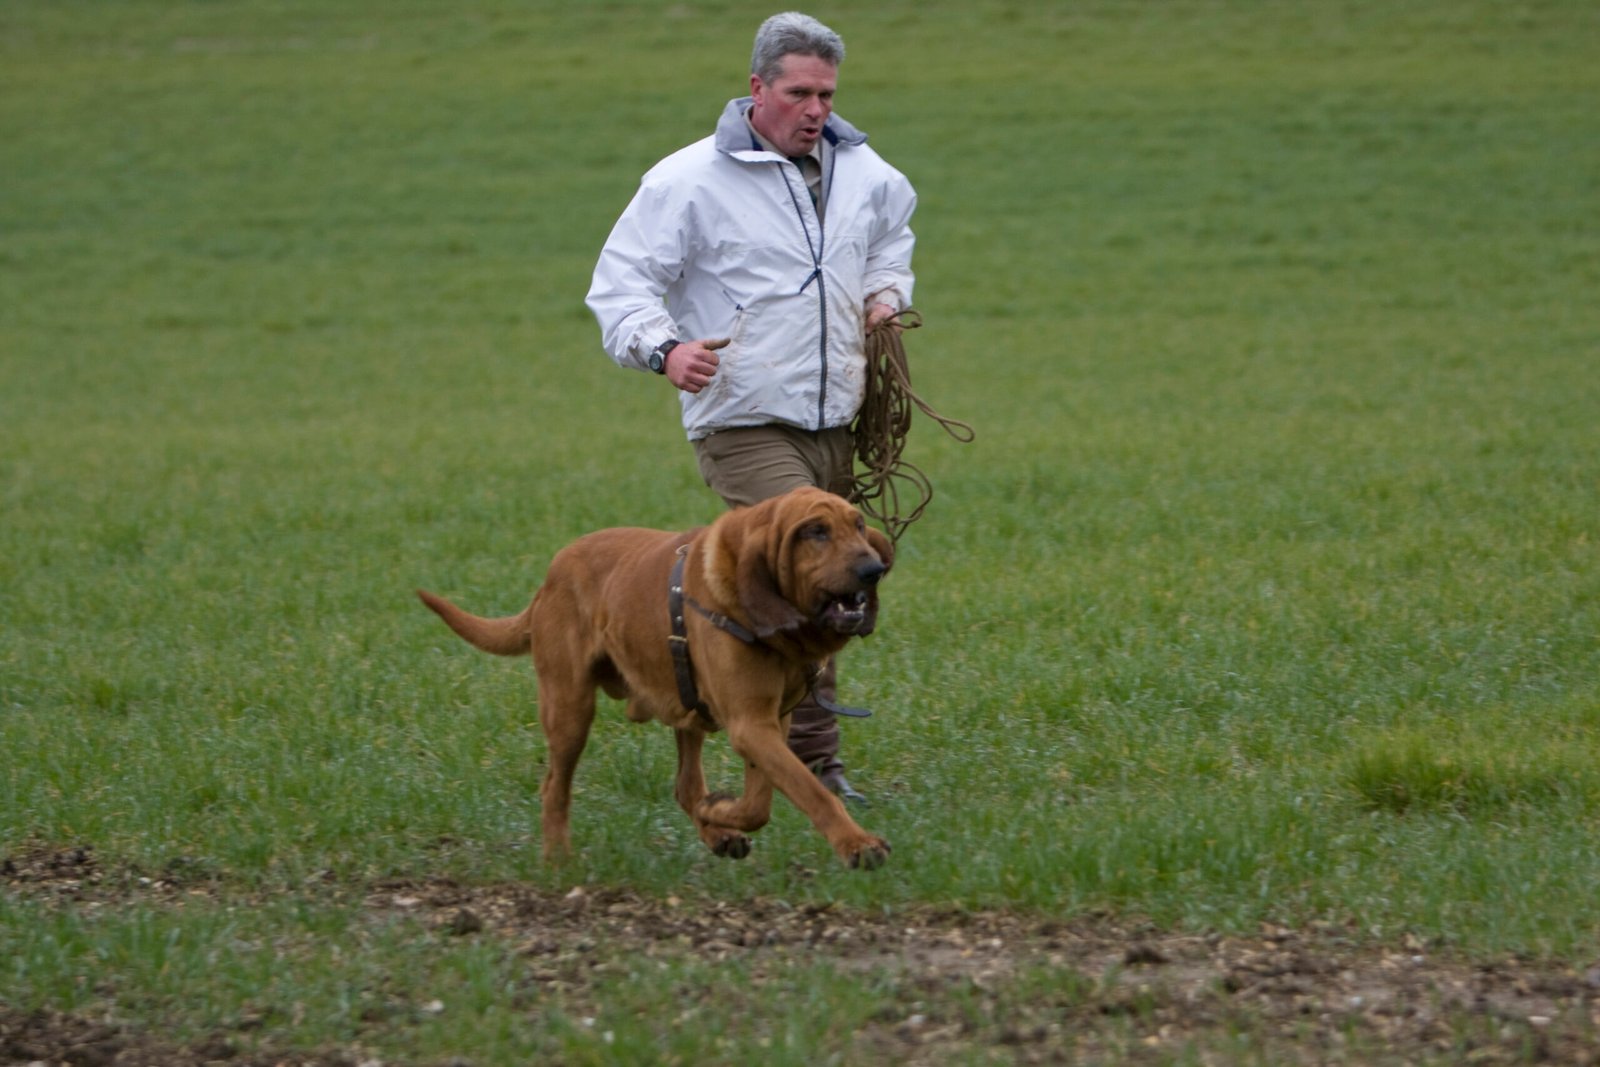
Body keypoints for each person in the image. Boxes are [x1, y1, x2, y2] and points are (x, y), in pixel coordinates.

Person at [587, 11, 916, 804]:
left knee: (827, 583)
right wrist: (665, 350)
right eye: (799, 92)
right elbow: (621, 285)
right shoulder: (685, 181)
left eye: (827, 94)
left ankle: (760, 735)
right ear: (757, 88)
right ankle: (810, 762)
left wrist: (885, 298)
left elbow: (891, 240)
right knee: (822, 576)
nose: (816, 110)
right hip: (740, 417)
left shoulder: (867, 173)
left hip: (837, 415)